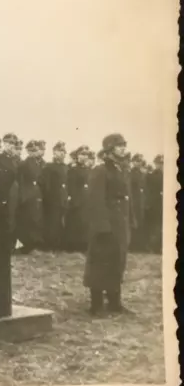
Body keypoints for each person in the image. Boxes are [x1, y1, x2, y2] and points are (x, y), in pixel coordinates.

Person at [84, 133, 134, 316]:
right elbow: (95, 200)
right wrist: (102, 226)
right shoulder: (100, 170)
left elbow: (128, 198)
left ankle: (115, 302)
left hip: (120, 225)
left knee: (117, 262)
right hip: (105, 226)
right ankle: (96, 305)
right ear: (109, 150)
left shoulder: (122, 169)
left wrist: (131, 219)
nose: (123, 149)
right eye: (119, 146)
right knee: (99, 263)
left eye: (123, 145)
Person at [15, 140, 45, 253]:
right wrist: (23, 196)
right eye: (31, 151)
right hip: (27, 195)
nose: (34, 153)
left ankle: (34, 243)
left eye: (35, 150)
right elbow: (21, 180)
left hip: (36, 194)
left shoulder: (37, 163)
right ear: (27, 151)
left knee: (35, 219)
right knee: (27, 220)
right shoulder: (24, 164)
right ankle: (27, 244)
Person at [40, 141, 69, 251]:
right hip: (52, 199)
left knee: (61, 222)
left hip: (63, 198)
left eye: (63, 152)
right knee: (52, 222)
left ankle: (59, 244)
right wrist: (48, 197)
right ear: (54, 152)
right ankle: (50, 245)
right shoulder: (49, 167)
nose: (62, 154)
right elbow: (45, 183)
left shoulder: (66, 167)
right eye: (60, 151)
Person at [65, 145, 91, 252]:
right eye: (82, 154)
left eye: (86, 155)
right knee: (75, 222)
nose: (84, 157)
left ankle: (83, 245)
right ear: (77, 156)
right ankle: (73, 245)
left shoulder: (88, 169)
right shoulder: (73, 169)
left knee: (84, 222)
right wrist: (74, 199)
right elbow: (71, 185)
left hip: (86, 200)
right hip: (77, 199)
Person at [145, 154, 163, 253]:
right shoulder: (152, 175)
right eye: (158, 163)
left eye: (161, 163)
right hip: (155, 204)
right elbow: (149, 190)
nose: (160, 165)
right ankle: (154, 247)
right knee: (155, 226)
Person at [129, 153, 147, 252]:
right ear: (133, 162)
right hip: (134, 200)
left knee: (140, 222)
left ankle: (139, 245)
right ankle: (132, 245)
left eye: (140, 161)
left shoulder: (142, 173)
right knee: (133, 222)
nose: (139, 163)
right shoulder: (130, 173)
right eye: (137, 161)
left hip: (140, 201)